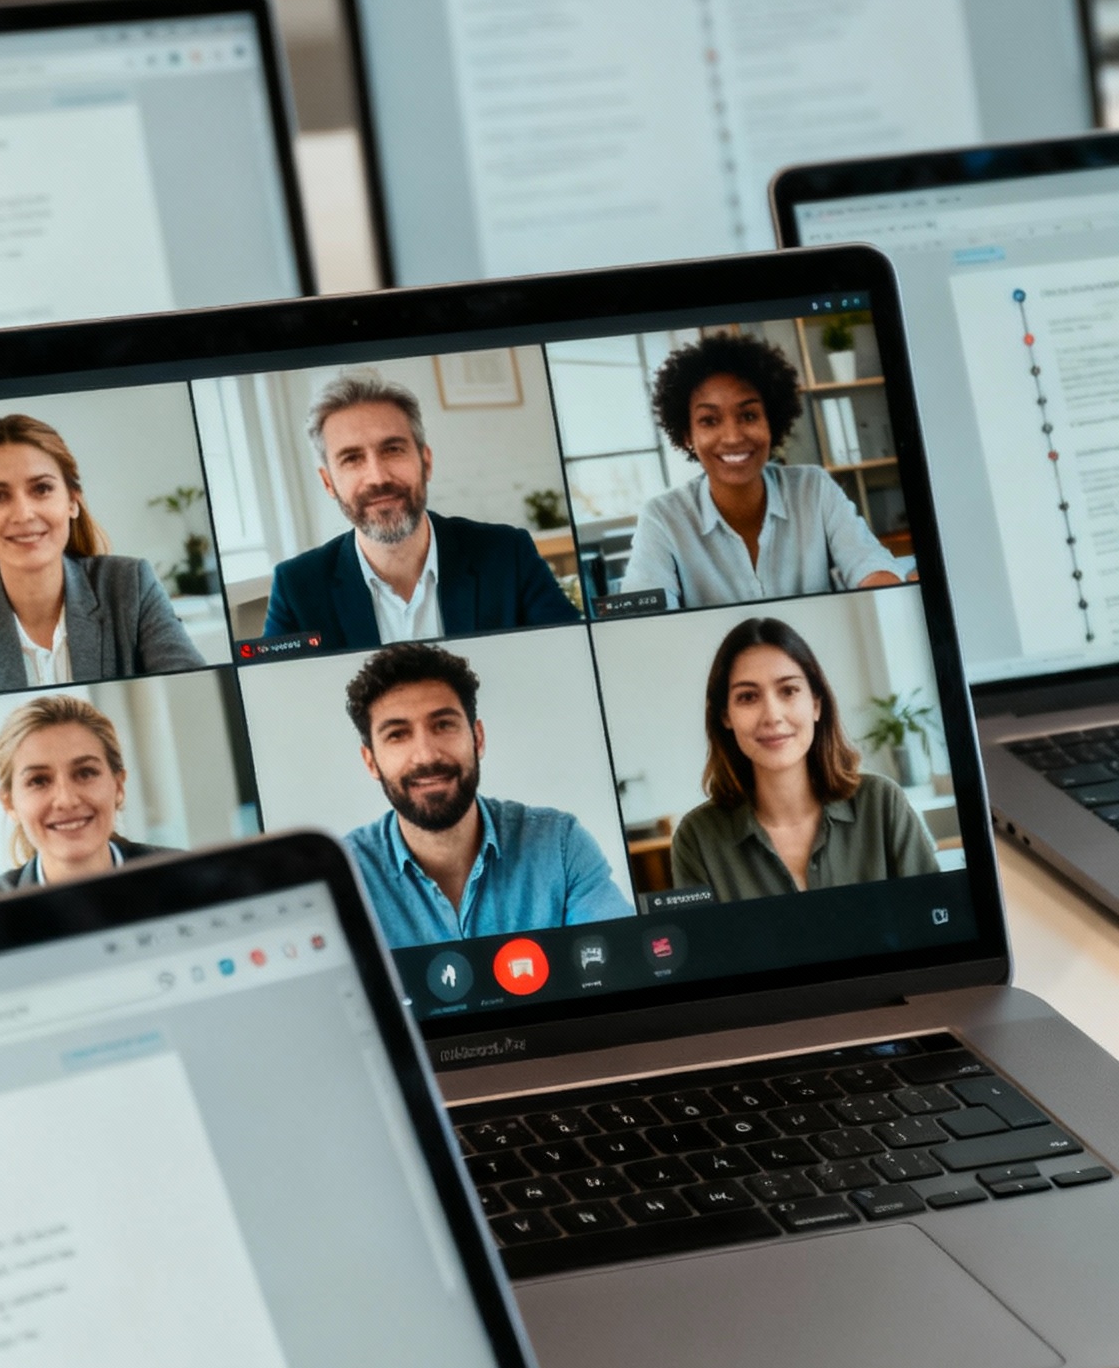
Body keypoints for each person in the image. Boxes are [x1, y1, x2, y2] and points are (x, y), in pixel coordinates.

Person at [0, 413, 203, 700]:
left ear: (72, 501)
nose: (23, 514)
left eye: (41, 488)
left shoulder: (131, 585)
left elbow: (191, 693)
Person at [263, 370, 580, 650]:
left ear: (425, 462)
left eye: (393, 450)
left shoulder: (508, 554)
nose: (378, 477)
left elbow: (571, 657)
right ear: (328, 482)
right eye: (352, 459)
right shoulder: (296, 589)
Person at [341, 640, 631, 947]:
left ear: (477, 738)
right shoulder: (343, 879)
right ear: (371, 761)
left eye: (443, 725)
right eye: (397, 735)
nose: (425, 755)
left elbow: (619, 959)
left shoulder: (559, 844)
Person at [621, 333, 905, 608]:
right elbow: (644, 619)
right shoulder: (662, 518)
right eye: (709, 420)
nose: (732, 437)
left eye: (748, 415)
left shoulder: (814, 488)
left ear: (772, 422)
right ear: (687, 436)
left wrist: (883, 596)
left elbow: (870, 565)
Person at [671, 616, 940, 901]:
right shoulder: (696, 838)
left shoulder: (882, 803)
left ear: (815, 704)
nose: (772, 716)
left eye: (788, 690)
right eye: (748, 697)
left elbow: (940, 920)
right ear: (726, 716)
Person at [0, 694, 170, 895]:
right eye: (39, 781)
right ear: (9, 804)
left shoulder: (185, 877)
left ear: (118, 786)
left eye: (85, 773)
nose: (66, 800)